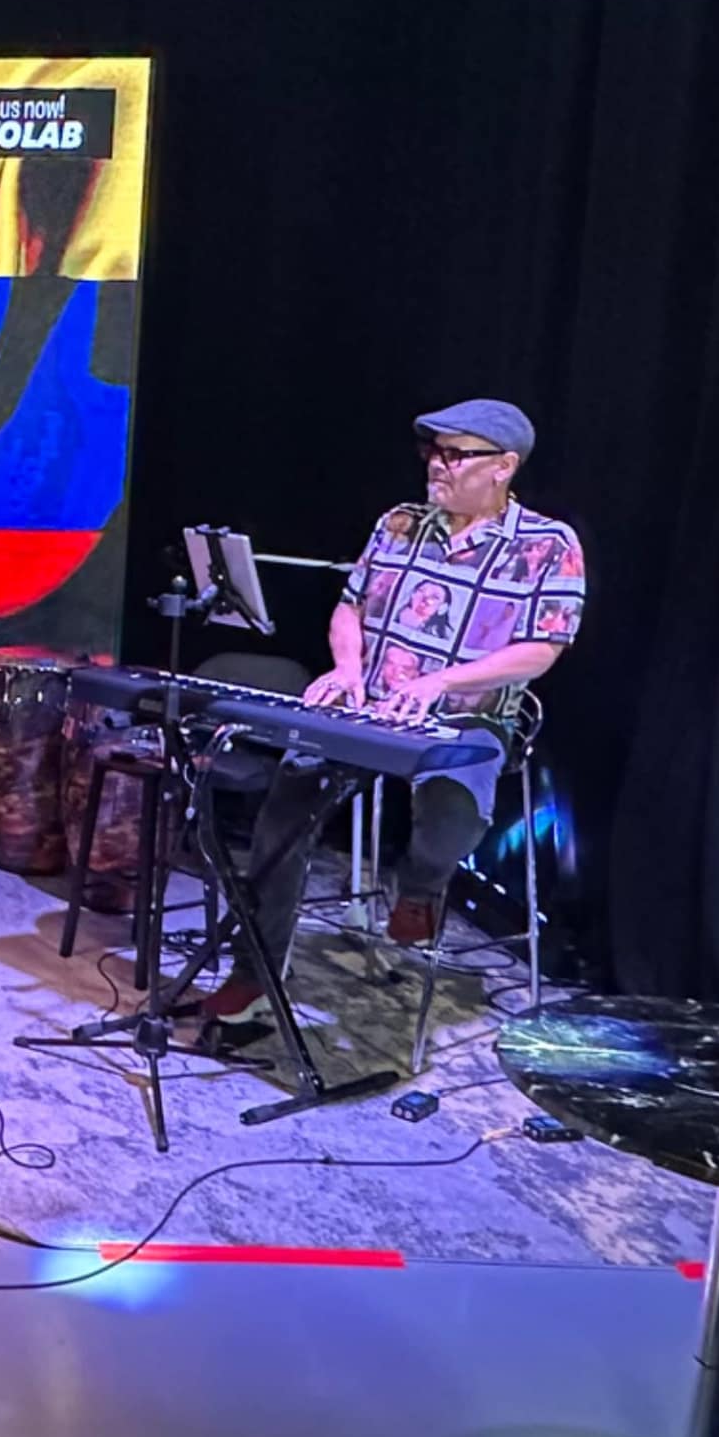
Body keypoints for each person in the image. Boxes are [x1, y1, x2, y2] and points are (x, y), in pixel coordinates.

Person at [184, 398, 585, 1011]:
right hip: (371, 705)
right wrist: (347, 666)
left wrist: (443, 683)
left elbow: (542, 647)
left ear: (503, 466)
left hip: (466, 714)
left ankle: (421, 883)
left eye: (456, 454)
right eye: (433, 452)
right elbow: (351, 606)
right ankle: (255, 969)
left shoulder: (548, 545)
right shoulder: (399, 522)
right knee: (286, 809)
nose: (437, 466)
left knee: (453, 810)